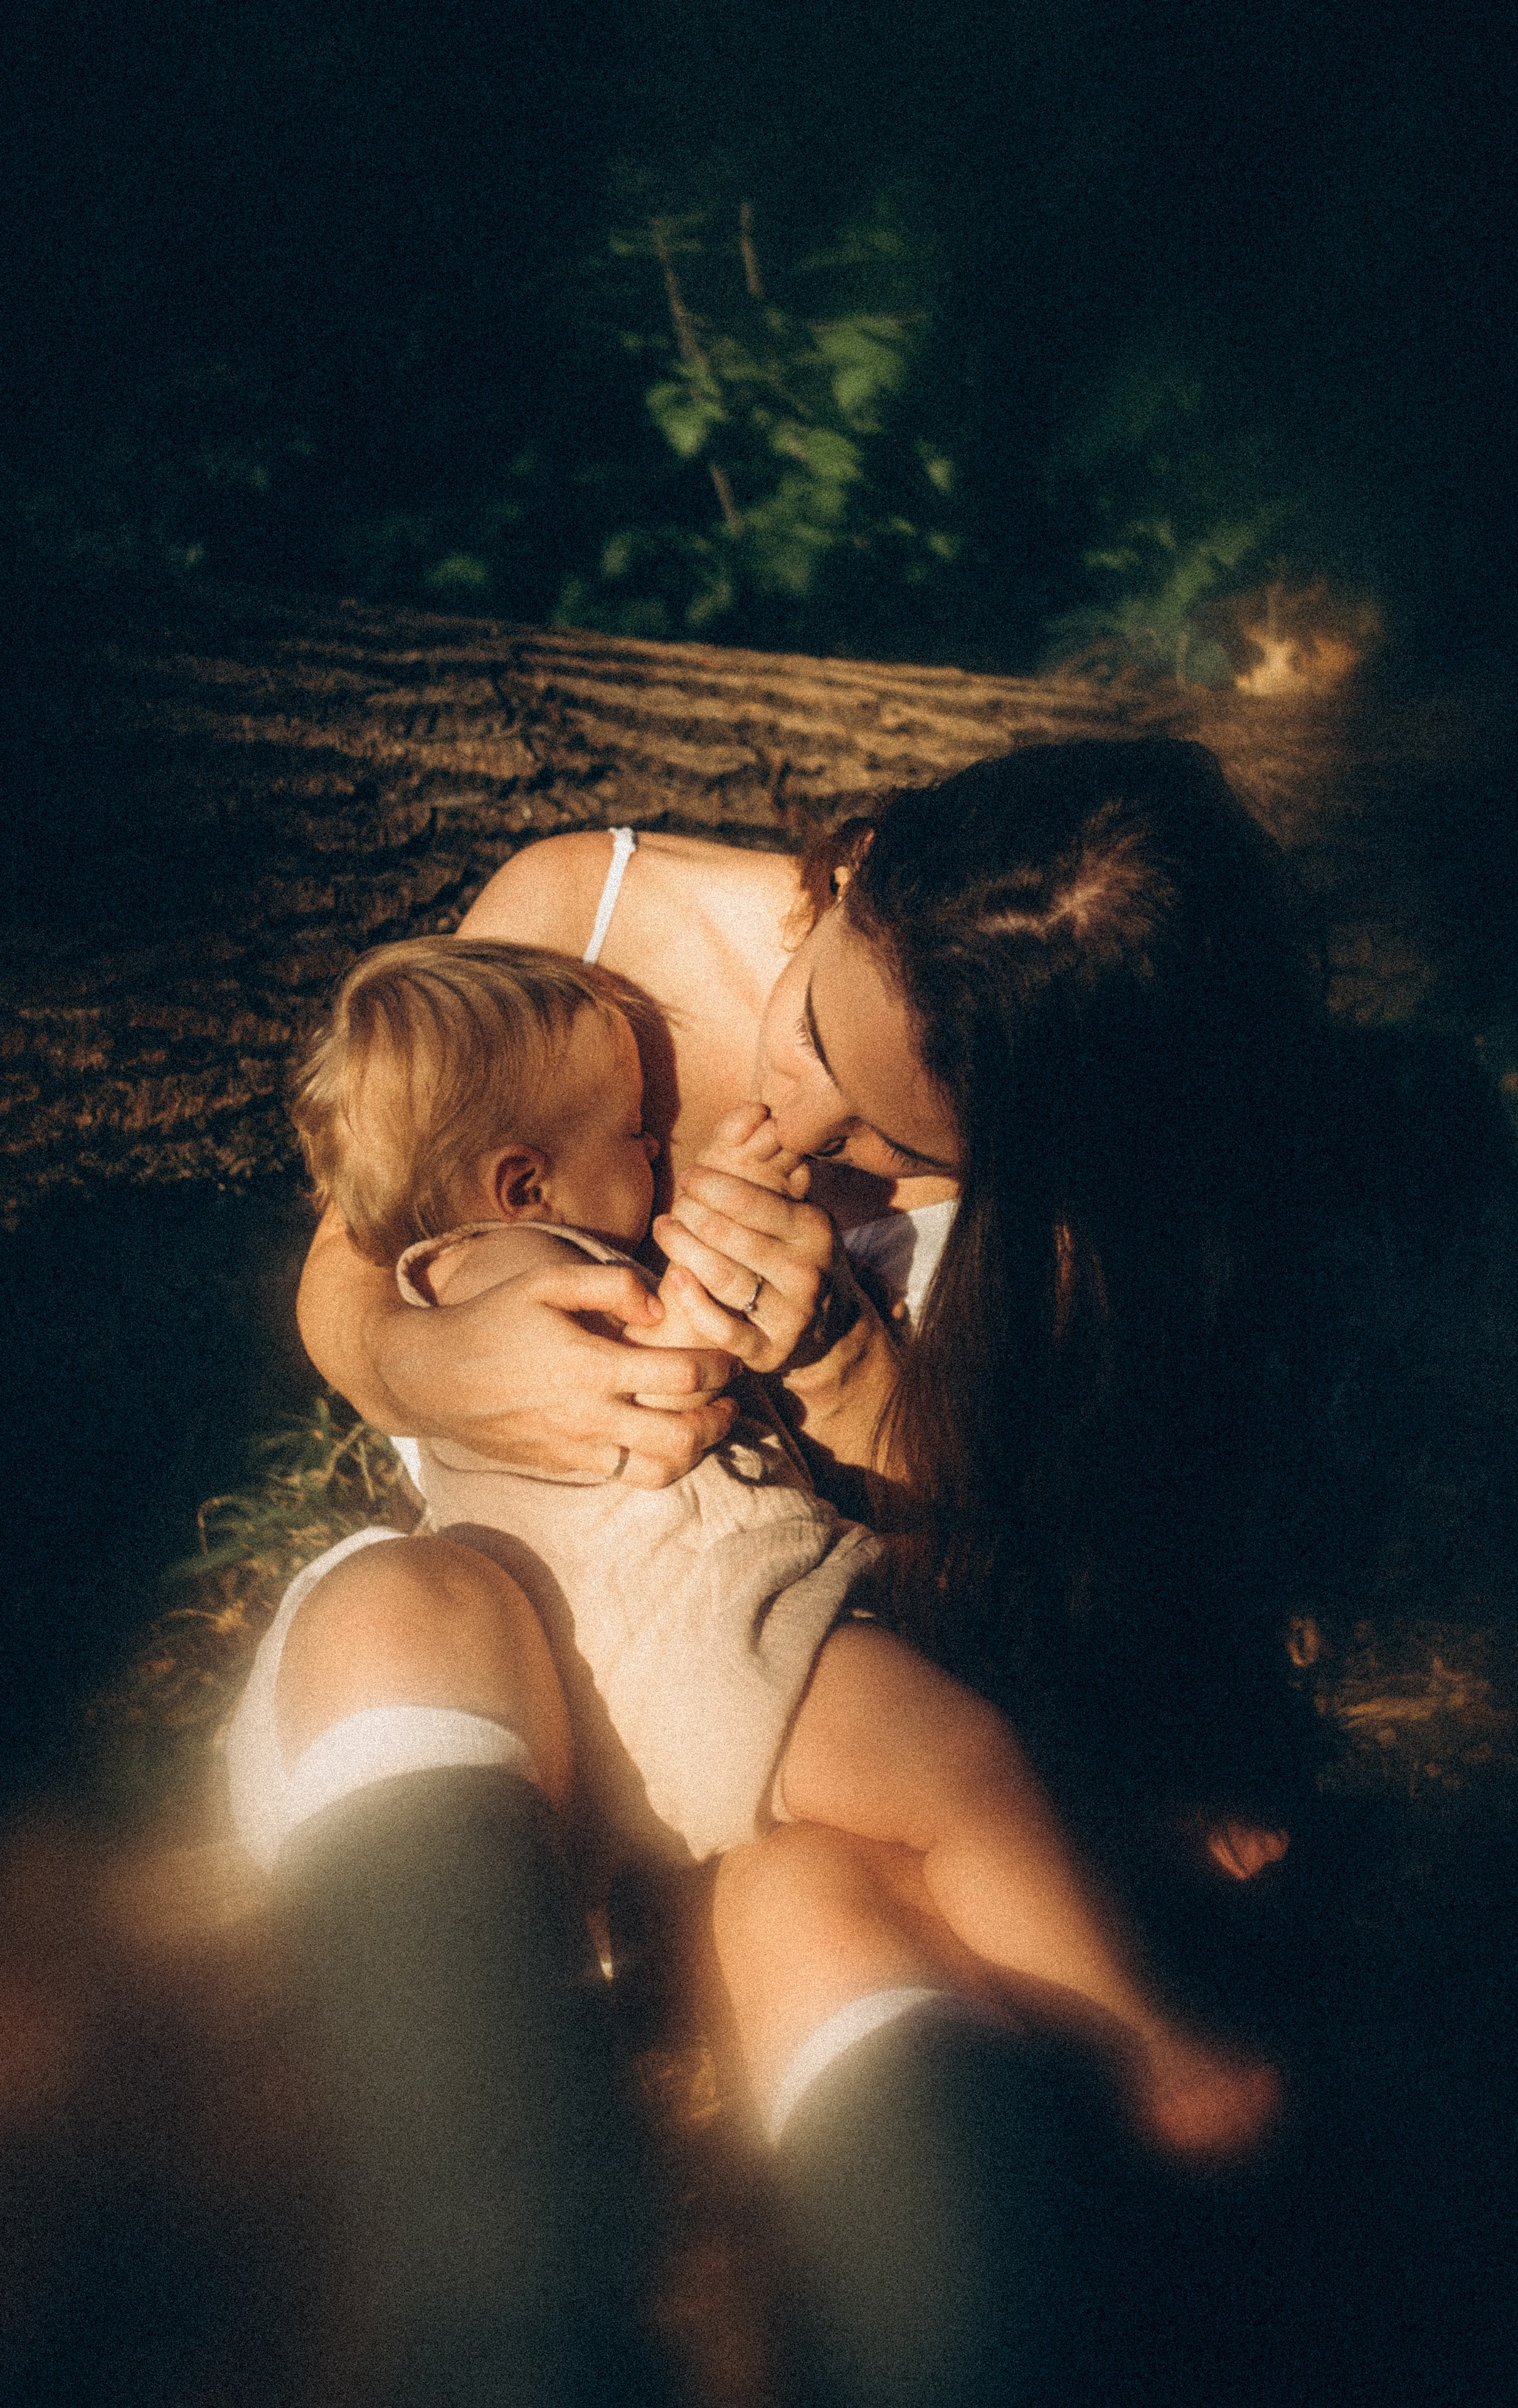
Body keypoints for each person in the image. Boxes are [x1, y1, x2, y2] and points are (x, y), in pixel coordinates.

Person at [273, 741, 1325, 2401]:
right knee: (387, 1607)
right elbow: (356, 1246)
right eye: (820, 1034)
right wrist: (425, 1359)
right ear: (856, 869)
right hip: (536, 1663)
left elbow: (1005, 1591)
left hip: (787, 1739)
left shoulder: (1078, 1236)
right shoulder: (586, 919)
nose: (811, 1122)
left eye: (905, 1141)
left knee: (817, 1899)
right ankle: (496, 2333)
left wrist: (840, 1368)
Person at [233, 931, 1278, 2157]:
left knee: (941, 1773)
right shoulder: (506, 1268)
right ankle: (1151, 2045)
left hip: (683, 1666)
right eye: (635, 1133)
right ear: (524, 1188)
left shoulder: (466, 1267)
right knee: (965, 1768)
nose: (658, 1150)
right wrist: (725, 1220)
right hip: (718, 1644)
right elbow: (663, 1364)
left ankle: (1120, 1839)